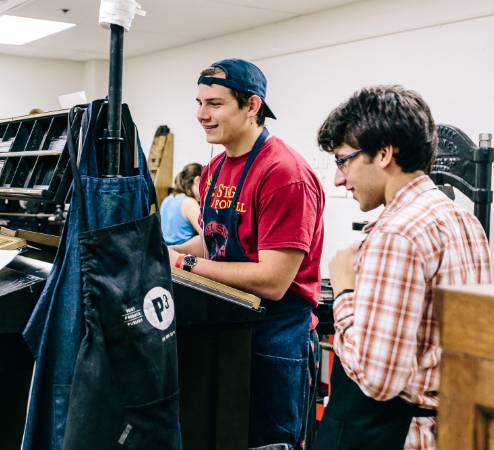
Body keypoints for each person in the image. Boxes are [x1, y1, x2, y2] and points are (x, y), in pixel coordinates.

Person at [313, 85, 492, 450]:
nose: (338, 178)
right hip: (455, 430)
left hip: (397, 436)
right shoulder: (462, 218)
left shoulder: (396, 233)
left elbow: (378, 380)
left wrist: (345, 291)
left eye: (344, 160)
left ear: (382, 153)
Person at [168, 58, 325, 449]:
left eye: (215, 104)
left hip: (274, 337)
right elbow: (214, 240)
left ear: (252, 105)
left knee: (264, 443)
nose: (201, 115)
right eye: (200, 102)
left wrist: (185, 264)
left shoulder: (284, 174)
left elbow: (272, 281)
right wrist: (162, 251)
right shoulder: (215, 169)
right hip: (225, 327)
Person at [160, 163, 203, 245]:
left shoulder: (167, 199)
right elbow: (207, 235)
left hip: (167, 252)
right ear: (198, 180)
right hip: (183, 253)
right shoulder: (189, 202)